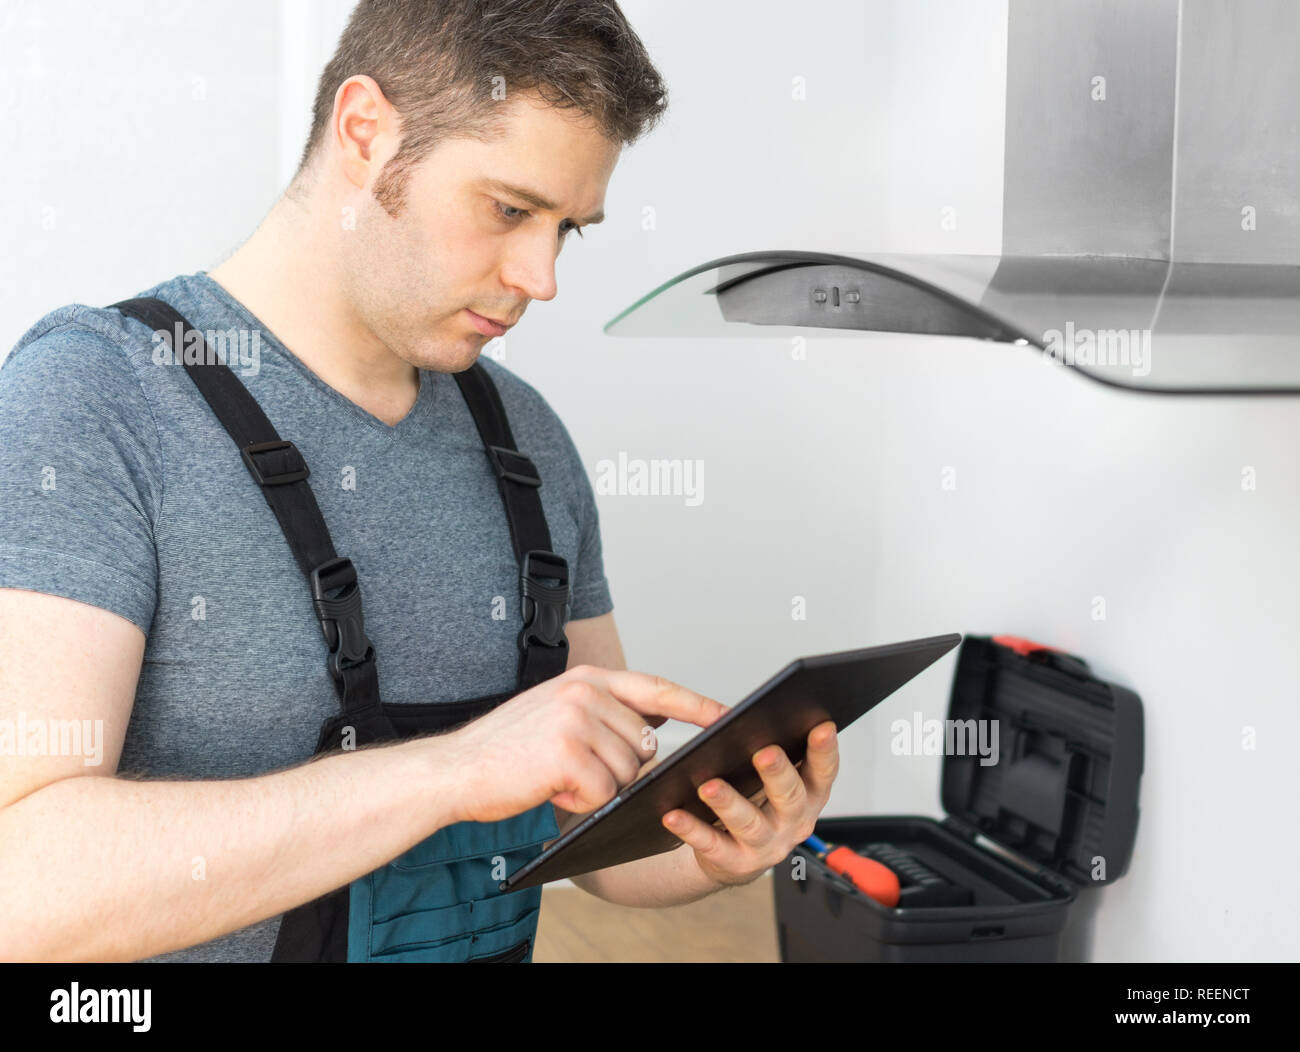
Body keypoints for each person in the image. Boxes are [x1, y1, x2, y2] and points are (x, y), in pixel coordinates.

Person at [0, 0, 839, 963]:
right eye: (510, 209)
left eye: (568, 228)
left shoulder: (528, 440)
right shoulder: (92, 399)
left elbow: (597, 832)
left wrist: (717, 848)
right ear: (367, 132)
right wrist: (452, 771)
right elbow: (22, 886)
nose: (541, 276)